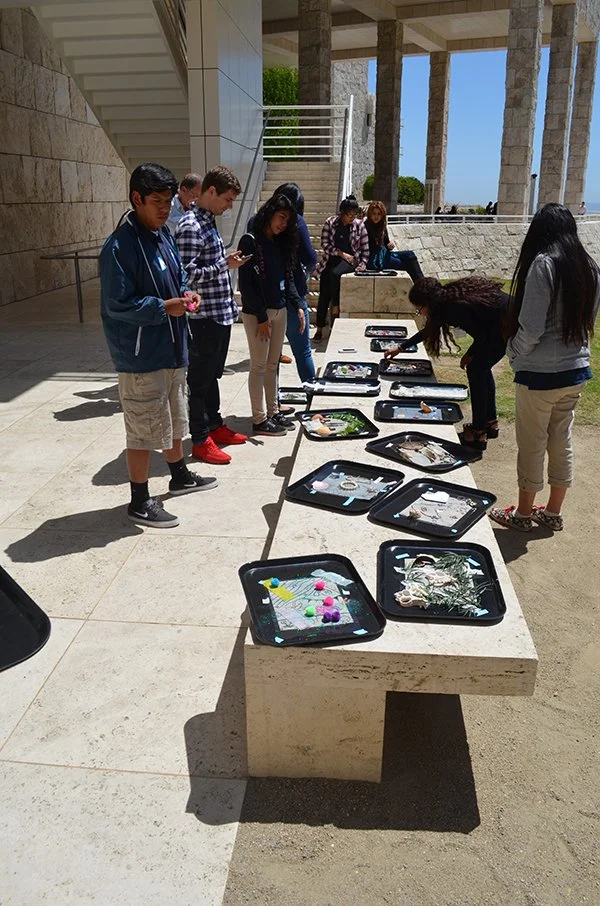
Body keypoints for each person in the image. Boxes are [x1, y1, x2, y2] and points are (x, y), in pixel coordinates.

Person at [100, 163, 217, 528]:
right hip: (141, 356)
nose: (165, 209)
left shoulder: (162, 235)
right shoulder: (119, 246)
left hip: (171, 348)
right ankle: (138, 500)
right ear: (137, 199)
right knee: (142, 429)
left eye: (168, 201)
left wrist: (186, 293)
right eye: (157, 202)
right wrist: (162, 308)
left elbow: (178, 274)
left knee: (172, 417)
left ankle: (179, 475)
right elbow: (116, 305)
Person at [489, 203, 599, 532]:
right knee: (560, 440)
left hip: (539, 375)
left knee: (532, 443)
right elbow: (587, 322)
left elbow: (532, 327)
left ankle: (522, 514)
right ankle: (552, 511)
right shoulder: (590, 267)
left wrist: (513, 353)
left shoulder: (543, 264)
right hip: (575, 371)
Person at [175, 166, 248, 466]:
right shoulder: (191, 226)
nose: (229, 206)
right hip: (202, 318)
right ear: (211, 191)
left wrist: (224, 262)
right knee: (200, 380)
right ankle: (200, 439)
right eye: (227, 200)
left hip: (218, 314)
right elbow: (186, 276)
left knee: (212, 375)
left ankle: (214, 425)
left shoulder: (207, 221)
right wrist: (224, 266)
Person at [384, 276, 509, 450]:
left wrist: (470, 354)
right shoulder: (447, 301)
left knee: (476, 368)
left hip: (504, 328)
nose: (422, 313)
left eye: (420, 309)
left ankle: (479, 432)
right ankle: (490, 422)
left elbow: (483, 336)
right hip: (501, 325)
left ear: (428, 303)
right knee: (481, 367)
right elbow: (429, 330)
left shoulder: (455, 307)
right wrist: (401, 347)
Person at [238, 195, 304, 435]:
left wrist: (296, 303)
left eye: (287, 220)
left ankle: (273, 412)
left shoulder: (280, 242)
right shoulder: (251, 241)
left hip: (280, 309)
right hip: (259, 314)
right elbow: (246, 284)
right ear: (270, 213)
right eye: (281, 217)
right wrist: (262, 318)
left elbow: (288, 277)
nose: (283, 224)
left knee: (272, 365)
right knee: (258, 365)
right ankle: (258, 420)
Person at [272, 182, 317, 383]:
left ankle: (274, 405)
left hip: (267, 296)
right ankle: (311, 398)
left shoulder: (256, 222)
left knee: (270, 358)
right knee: (303, 351)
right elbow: (309, 257)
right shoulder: (297, 222)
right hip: (293, 297)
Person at [313, 195, 369, 342]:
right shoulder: (330, 223)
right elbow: (325, 244)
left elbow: (365, 249)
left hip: (350, 262)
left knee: (335, 274)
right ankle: (320, 327)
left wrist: (362, 264)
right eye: (349, 215)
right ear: (341, 213)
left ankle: (336, 311)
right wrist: (340, 253)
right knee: (324, 294)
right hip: (331, 260)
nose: (351, 218)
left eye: (354, 215)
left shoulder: (359, 225)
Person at [363, 200, 424, 283]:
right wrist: (386, 247)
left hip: (384, 255)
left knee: (410, 255)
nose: (376, 216)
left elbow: (386, 243)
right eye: (374, 213)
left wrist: (390, 245)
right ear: (370, 214)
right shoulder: (366, 227)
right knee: (406, 265)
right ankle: (422, 287)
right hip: (375, 260)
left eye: (379, 214)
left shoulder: (382, 226)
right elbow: (372, 248)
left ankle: (422, 285)